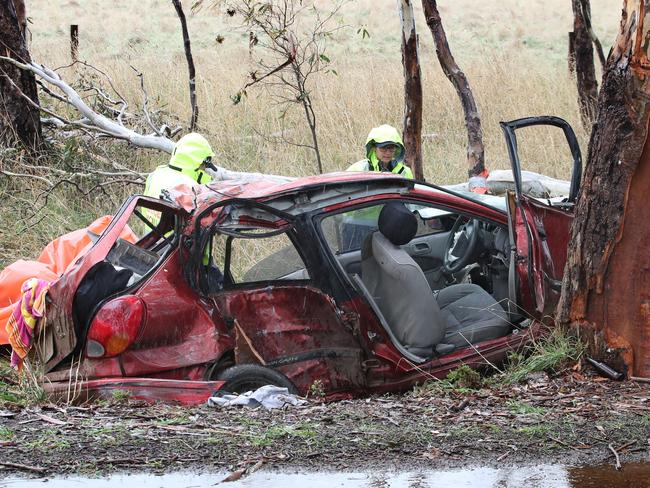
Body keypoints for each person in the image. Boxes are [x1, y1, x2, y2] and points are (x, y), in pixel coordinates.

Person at [144, 132, 217, 200]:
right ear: (198, 163)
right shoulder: (191, 188)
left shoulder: (156, 173)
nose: (204, 169)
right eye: (204, 165)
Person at [347, 124, 414, 179]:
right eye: (383, 148)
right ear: (374, 148)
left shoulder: (405, 172)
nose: (388, 153)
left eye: (391, 148)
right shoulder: (358, 169)